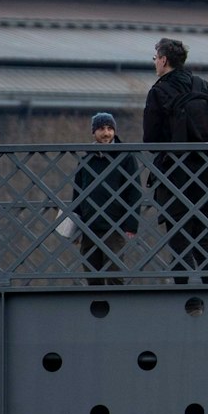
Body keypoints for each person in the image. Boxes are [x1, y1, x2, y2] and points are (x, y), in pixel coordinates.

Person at [142, 37, 208, 283]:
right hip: (206, 175)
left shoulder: (158, 91)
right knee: (201, 239)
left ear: (164, 60)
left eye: (155, 58)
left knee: (179, 240)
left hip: (174, 176)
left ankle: (186, 298)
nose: (155, 63)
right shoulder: (203, 86)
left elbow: (150, 139)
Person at [72, 112, 139, 285]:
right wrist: (75, 228)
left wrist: (131, 224)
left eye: (110, 128)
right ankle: (98, 308)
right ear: (93, 132)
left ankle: (117, 310)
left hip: (114, 223)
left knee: (114, 274)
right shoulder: (86, 160)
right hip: (89, 224)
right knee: (92, 274)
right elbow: (78, 195)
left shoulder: (125, 157)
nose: (106, 133)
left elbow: (134, 192)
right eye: (101, 128)